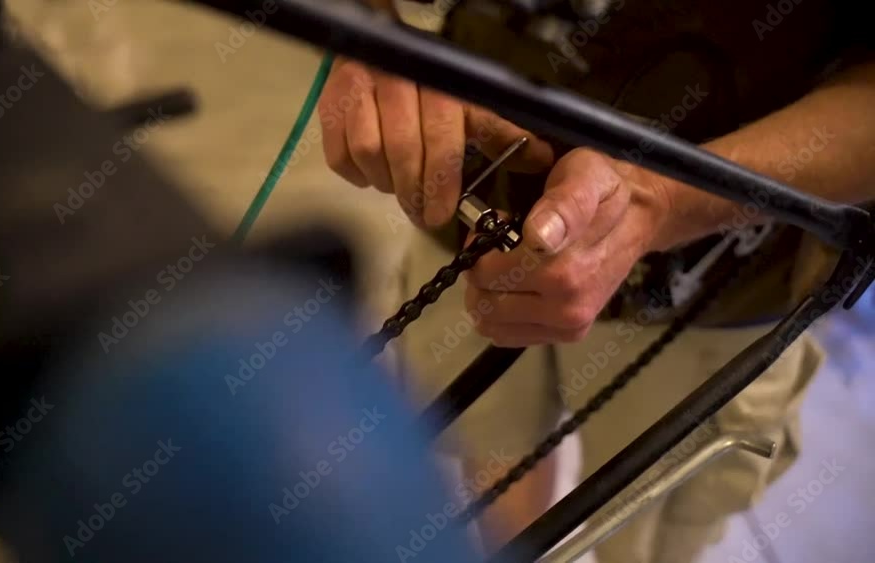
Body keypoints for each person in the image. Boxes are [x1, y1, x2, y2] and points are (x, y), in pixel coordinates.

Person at [317, 1, 875, 562]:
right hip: (468, 208)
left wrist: (663, 202)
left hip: (713, 296)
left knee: (640, 530)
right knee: (493, 447)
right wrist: (372, 38)